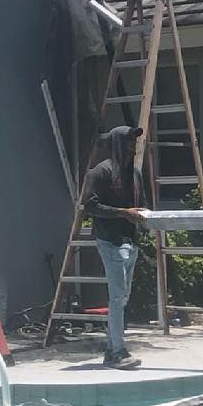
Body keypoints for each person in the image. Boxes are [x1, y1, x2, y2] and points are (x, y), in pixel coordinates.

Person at [82, 125, 146, 370]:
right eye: (129, 140)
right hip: (110, 242)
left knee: (123, 298)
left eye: (134, 141)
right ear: (116, 143)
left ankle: (113, 349)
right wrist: (122, 213)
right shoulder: (101, 172)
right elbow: (89, 205)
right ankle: (117, 351)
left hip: (130, 242)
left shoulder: (135, 174)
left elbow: (142, 206)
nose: (133, 145)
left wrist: (148, 220)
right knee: (118, 298)